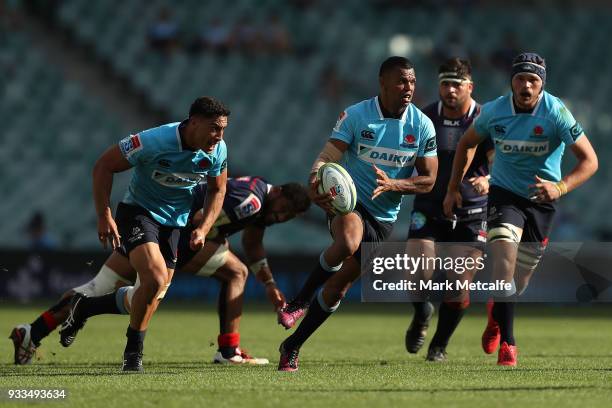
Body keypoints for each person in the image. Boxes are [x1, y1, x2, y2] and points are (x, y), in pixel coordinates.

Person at [11, 96, 230, 371]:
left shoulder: (217, 150)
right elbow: (104, 165)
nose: (219, 136)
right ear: (194, 122)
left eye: (222, 129)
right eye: (214, 128)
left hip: (174, 226)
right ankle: (133, 353)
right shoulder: (154, 140)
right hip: (138, 214)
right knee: (154, 279)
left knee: (118, 291)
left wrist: (204, 227)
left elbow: (218, 189)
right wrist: (104, 215)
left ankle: (35, 331)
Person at [9, 177, 310, 366]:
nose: (280, 217)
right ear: (279, 192)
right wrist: (186, 245)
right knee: (231, 274)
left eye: (286, 218)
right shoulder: (252, 202)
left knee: (96, 286)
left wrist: (269, 284)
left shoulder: (258, 198)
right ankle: (228, 350)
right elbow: (199, 219)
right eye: (283, 210)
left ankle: (32, 332)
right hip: (173, 235)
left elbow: (253, 243)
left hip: (147, 226)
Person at [277, 56, 438, 371]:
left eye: (413, 81)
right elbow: (326, 157)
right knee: (349, 241)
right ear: (383, 83)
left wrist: (395, 184)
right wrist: (314, 180)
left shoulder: (422, 126)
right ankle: (299, 301)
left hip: (384, 219)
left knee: (339, 287)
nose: (409, 88)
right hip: (348, 203)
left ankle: (292, 345)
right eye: (401, 81)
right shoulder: (357, 115)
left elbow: (429, 179)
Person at [444, 52, 598, 366]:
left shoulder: (556, 112)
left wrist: (560, 187)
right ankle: (509, 346)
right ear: (511, 81)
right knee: (504, 260)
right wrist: (452, 187)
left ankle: (495, 314)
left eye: (533, 80)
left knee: (521, 279)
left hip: (542, 202)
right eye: (520, 78)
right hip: (504, 196)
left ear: (542, 84)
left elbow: (590, 161)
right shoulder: (495, 111)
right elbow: (466, 143)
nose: (526, 85)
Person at [404, 57, 493, 362]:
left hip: (471, 210)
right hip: (428, 206)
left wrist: (489, 179)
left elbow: (501, 160)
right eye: (445, 83)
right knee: (416, 275)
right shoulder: (424, 117)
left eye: (457, 84)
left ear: (470, 86)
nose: (451, 90)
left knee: (457, 285)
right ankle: (421, 313)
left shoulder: (486, 118)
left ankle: (438, 345)